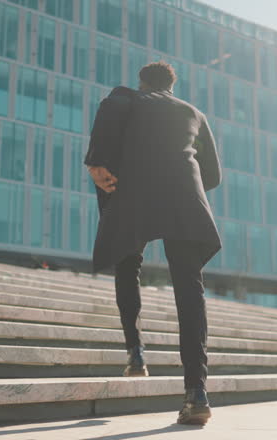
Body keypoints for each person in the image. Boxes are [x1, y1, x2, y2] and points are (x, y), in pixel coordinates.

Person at [84, 61, 222, 425]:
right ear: (172, 87)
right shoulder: (194, 113)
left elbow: (110, 108)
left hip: (133, 197)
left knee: (128, 265)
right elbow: (213, 175)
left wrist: (95, 161)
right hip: (185, 200)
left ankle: (136, 353)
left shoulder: (127, 98)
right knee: (190, 290)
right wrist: (177, 184)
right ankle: (197, 393)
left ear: (143, 83)